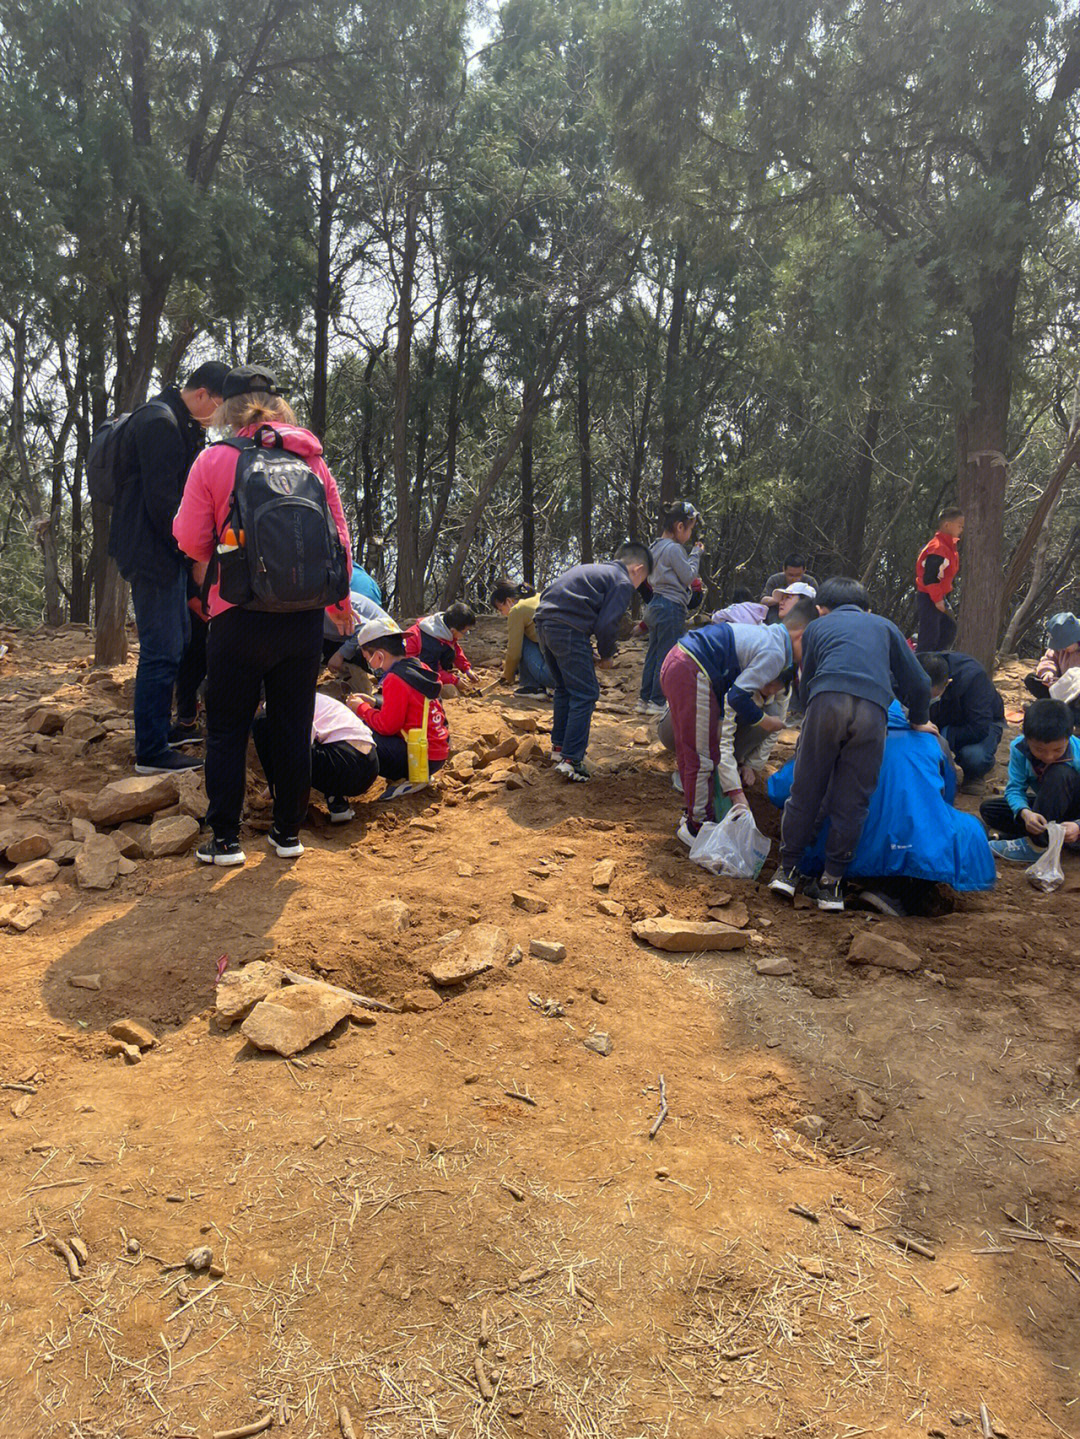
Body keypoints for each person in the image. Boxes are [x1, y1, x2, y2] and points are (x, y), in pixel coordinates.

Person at [173, 364, 352, 867]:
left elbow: (190, 539)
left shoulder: (214, 460)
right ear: (277, 404)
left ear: (227, 409)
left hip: (237, 613)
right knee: (293, 726)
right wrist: (338, 607)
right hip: (301, 618)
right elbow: (339, 539)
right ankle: (287, 833)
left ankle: (226, 840)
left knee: (228, 727)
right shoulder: (311, 460)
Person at [769, 576, 936, 911]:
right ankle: (832, 885)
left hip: (827, 702)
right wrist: (918, 718)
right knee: (853, 800)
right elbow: (919, 681)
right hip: (873, 712)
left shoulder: (817, 627)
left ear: (820, 609)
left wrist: (807, 711)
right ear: (867, 609)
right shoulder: (885, 626)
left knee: (806, 789)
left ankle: (787, 872)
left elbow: (809, 677)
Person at [108, 359, 229, 775]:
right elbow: (165, 507)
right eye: (219, 407)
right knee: (161, 651)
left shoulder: (173, 419)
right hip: (152, 551)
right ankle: (151, 751)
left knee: (175, 643)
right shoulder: (161, 423)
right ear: (202, 396)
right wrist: (195, 554)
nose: (218, 420)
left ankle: (162, 732)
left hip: (160, 550)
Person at [768, 701, 995, 911]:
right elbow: (945, 798)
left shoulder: (833, 731)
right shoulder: (933, 739)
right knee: (970, 828)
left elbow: (781, 791)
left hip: (839, 851)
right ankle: (894, 893)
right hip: (908, 846)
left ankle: (838, 879)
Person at [661, 604, 816, 842]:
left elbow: (729, 712)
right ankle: (697, 828)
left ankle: (694, 813)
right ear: (802, 636)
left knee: (700, 750)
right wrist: (763, 720)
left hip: (684, 661)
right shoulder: (776, 653)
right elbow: (736, 697)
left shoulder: (769, 636)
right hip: (693, 668)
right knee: (700, 757)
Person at [534, 542, 653, 782]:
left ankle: (559, 749)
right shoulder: (621, 581)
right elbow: (606, 625)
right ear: (638, 569)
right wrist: (607, 654)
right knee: (586, 693)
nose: (638, 587)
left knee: (565, 689)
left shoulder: (594, 570)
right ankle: (571, 760)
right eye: (644, 580)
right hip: (567, 628)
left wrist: (585, 647)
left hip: (545, 625)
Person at [348, 618, 449, 798]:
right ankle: (415, 775)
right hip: (435, 753)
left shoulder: (394, 679)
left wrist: (362, 708)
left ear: (378, 656)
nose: (370, 664)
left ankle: (410, 778)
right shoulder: (419, 667)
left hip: (418, 758)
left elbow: (387, 726)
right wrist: (375, 703)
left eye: (367, 658)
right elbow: (412, 704)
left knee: (358, 734)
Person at [979, 699, 1080, 863]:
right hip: (1052, 805)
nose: (1048, 757)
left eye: (1057, 750)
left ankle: (1037, 845)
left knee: (1059, 772)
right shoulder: (1019, 747)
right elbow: (1014, 789)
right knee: (990, 810)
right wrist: (1026, 814)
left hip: (1075, 810)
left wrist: (1078, 826)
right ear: (1026, 737)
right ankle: (1052, 834)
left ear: (1070, 735)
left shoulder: (1078, 752)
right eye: (1039, 749)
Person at [254, 692, 378, 825]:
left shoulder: (277, 704)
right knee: (323, 740)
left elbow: (300, 743)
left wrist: (275, 783)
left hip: (343, 764)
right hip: (370, 765)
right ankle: (337, 802)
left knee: (265, 724)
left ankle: (288, 809)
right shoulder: (310, 695)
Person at [637, 500, 704, 714]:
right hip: (671, 605)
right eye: (690, 529)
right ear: (680, 526)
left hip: (655, 603)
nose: (690, 534)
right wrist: (696, 554)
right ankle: (658, 701)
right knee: (667, 655)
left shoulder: (654, 546)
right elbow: (688, 576)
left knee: (653, 653)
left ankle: (644, 699)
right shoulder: (674, 549)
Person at [918, 651, 1004, 792]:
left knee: (974, 756)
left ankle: (974, 775)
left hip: (979, 724)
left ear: (947, 684)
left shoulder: (974, 678)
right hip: (938, 719)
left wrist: (942, 736)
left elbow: (979, 728)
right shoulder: (916, 665)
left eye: (931, 696)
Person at [915, 507, 964, 652]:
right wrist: (937, 600)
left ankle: (938, 663)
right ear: (947, 525)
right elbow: (930, 578)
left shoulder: (949, 546)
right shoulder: (938, 548)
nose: (962, 529)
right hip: (929, 595)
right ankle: (923, 666)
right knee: (929, 637)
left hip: (939, 594)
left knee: (948, 630)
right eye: (959, 525)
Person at [492, 579, 554, 694]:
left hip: (553, 678)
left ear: (508, 601)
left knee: (521, 639)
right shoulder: (540, 597)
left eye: (501, 609)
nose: (502, 613)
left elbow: (514, 651)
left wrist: (508, 675)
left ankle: (531, 687)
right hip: (574, 676)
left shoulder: (517, 610)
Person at [403, 603, 477, 691]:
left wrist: (467, 669)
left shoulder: (444, 627)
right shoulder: (428, 640)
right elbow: (430, 670)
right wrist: (454, 680)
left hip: (426, 662)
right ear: (453, 631)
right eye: (465, 632)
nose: (465, 635)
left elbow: (455, 648)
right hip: (408, 671)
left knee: (450, 652)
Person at [1024, 612, 1080, 728]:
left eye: (1065, 645)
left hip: (1076, 693)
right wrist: (1048, 673)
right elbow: (1049, 659)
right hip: (1060, 686)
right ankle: (1054, 709)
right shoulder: (1059, 645)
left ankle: (1051, 711)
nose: (1062, 649)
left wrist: (1069, 683)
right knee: (1031, 679)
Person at [761, 554, 818, 624]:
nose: (794, 579)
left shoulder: (810, 582)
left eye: (798, 575)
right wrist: (780, 599)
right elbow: (763, 600)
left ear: (804, 570)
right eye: (790, 575)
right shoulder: (775, 580)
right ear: (784, 570)